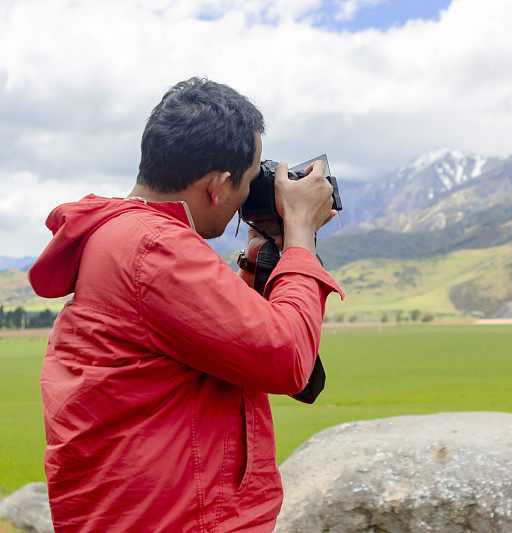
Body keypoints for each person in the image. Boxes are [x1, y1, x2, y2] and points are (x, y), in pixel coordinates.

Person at [28, 77, 343, 531]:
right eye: (250, 182)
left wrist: (259, 263)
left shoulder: (124, 236)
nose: (248, 197)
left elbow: (224, 340)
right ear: (217, 186)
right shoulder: (156, 249)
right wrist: (299, 234)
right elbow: (287, 359)